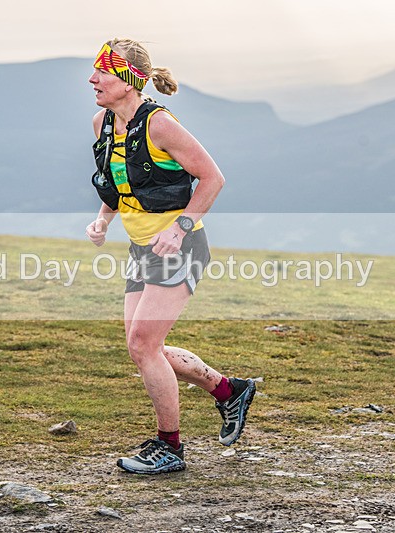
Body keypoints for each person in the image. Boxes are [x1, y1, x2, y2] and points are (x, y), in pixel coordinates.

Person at [85, 38, 256, 475]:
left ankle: (170, 448)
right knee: (143, 345)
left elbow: (212, 178)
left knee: (143, 344)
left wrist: (179, 229)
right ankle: (229, 391)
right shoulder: (102, 123)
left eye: (102, 72)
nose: (92, 79)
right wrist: (103, 220)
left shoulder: (159, 125)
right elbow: (120, 185)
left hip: (181, 247)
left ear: (129, 80)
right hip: (142, 248)